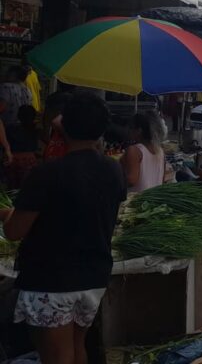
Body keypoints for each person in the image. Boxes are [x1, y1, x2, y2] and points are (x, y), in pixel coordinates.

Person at [0, 91, 127, 364]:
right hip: (93, 277)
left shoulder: (46, 174)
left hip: (52, 280)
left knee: (56, 357)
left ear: (64, 126)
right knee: (77, 348)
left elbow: (14, 232)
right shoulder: (113, 170)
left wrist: (5, 213)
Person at [121, 111, 166, 193]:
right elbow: (162, 180)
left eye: (131, 128)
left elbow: (131, 180)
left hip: (136, 202)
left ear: (139, 130)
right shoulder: (160, 151)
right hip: (153, 201)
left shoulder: (135, 150)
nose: (129, 131)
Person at [6, 105, 40, 189]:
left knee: (12, 189)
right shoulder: (35, 129)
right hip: (30, 160)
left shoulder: (10, 128)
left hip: (13, 160)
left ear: (18, 115)